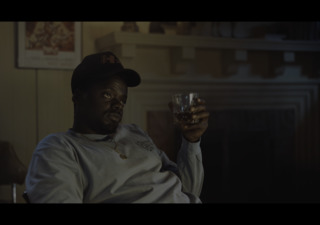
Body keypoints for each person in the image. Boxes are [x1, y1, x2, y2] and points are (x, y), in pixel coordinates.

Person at [25, 51, 210, 203]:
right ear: (78, 97)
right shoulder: (58, 148)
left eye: (123, 99)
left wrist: (191, 141)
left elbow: (189, 190)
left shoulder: (135, 133)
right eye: (107, 95)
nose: (117, 105)